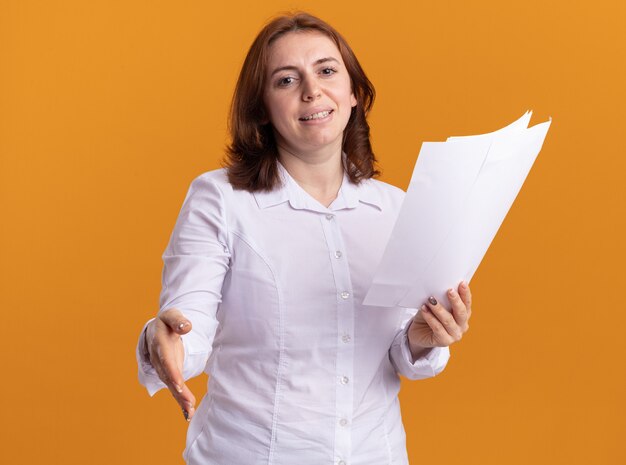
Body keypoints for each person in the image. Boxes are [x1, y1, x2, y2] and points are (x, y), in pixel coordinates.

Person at [136, 11, 472, 465]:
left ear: (353, 93)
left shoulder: (397, 209)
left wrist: (422, 337)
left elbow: (397, 353)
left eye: (327, 71)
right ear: (262, 109)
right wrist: (166, 340)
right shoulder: (219, 199)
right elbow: (187, 325)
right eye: (286, 80)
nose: (312, 90)